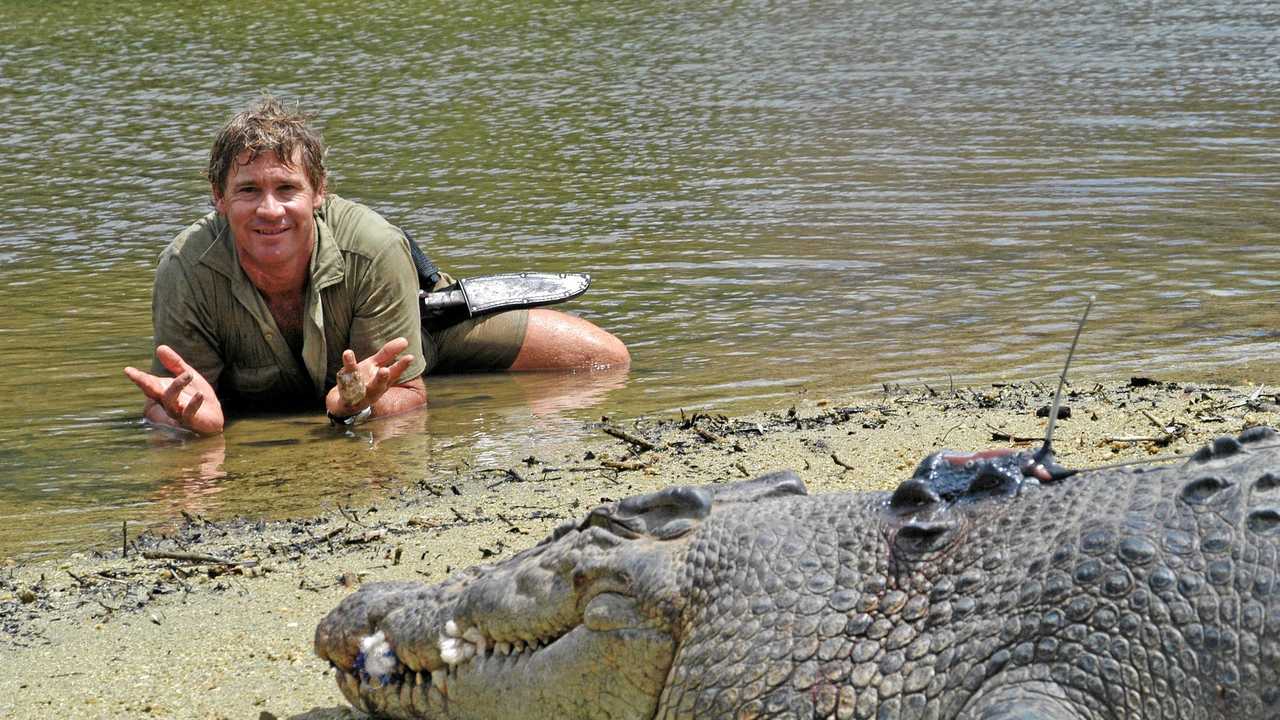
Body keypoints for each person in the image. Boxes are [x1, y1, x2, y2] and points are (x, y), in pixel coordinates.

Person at [124, 97, 629, 435]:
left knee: (604, 360)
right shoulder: (186, 267)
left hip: (411, 331)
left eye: (287, 189)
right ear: (218, 198)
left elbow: (406, 394)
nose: (270, 210)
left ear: (319, 193)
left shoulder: (374, 245)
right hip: (327, 371)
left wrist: (362, 407)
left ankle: (444, 350)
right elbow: (175, 398)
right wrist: (188, 428)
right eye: (248, 190)